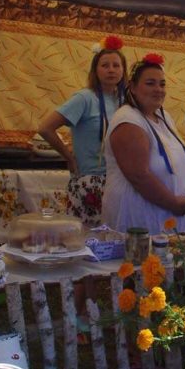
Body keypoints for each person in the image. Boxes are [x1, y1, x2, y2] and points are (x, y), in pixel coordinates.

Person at [37, 35, 127, 227]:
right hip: (89, 182)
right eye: (105, 65)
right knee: (86, 238)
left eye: (116, 65)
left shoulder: (126, 101)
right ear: (95, 70)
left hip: (118, 181)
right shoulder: (85, 98)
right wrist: (69, 157)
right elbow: (45, 128)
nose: (111, 70)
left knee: (114, 236)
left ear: (123, 70)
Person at [102, 53, 185, 233]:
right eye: (150, 83)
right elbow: (139, 176)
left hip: (170, 214)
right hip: (138, 216)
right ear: (133, 87)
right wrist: (173, 203)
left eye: (162, 84)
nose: (158, 89)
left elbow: (180, 160)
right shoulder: (128, 120)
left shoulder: (163, 116)